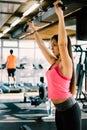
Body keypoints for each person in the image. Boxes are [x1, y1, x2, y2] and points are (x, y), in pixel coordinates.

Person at [28, 0, 81, 130]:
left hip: (70, 110)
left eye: (54, 45)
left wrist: (60, 15)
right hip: (59, 110)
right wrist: (33, 28)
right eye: (51, 45)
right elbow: (41, 46)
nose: (52, 48)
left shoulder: (66, 63)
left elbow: (63, 44)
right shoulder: (54, 62)